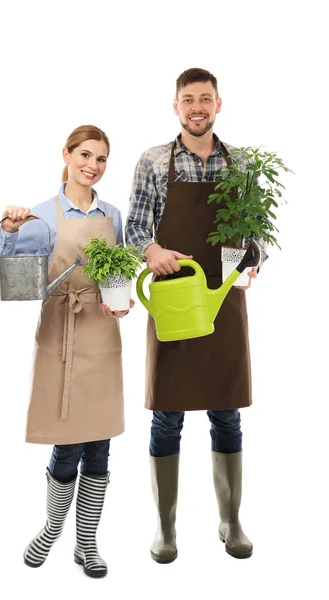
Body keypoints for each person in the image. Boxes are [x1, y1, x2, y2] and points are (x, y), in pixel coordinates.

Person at [125, 68, 267, 563]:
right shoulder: (152, 161)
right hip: (173, 297)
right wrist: (153, 251)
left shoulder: (241, 164)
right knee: (167, 415)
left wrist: (253, 261)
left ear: (219, 104)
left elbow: (256, 232)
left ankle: (231, 522)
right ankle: (165, 529)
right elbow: (137, 230)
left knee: (226, 412)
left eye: (205, 98)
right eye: (189, 100)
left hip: (223, 300)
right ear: (176, 107)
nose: (197, 107)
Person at [0, 125, 133, 578]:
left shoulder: (113, 214)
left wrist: (123, 299)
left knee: (100, 445)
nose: (93, 166)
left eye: (102, 159)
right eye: (86, 155)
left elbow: (120, 276)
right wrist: (9, 230)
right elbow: (11, 283)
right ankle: (52, 529)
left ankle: (87, 543)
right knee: (67, 443)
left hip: (102, 336)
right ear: (67, 154)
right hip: (60, 336)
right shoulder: (39, 215)